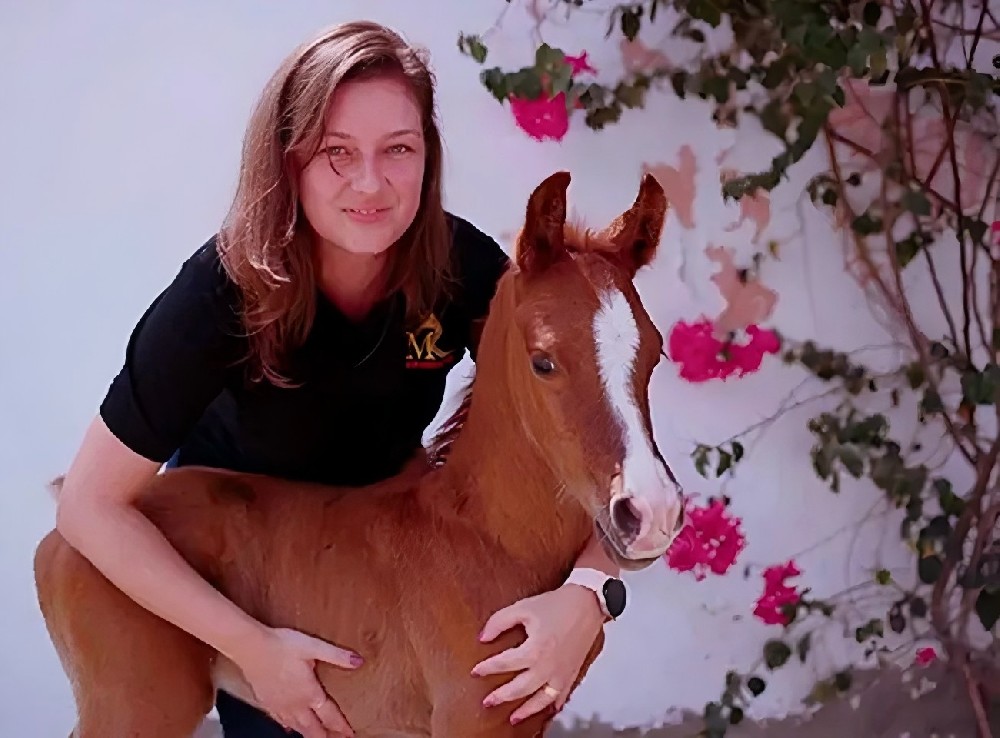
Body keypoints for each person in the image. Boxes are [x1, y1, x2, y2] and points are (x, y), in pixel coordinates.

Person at [53, 19, 621, 738]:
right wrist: (253, 648)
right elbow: (89, 506)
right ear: (288, 160)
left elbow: (592, 429)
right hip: (252, 560)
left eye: (398, 149)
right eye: (336, 152)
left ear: (428, 155)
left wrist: (591, 592)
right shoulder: (217, 297)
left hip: (386, 544)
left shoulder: (464, 268)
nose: (371, 183)